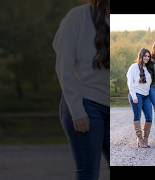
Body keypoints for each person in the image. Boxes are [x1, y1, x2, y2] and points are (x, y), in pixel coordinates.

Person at [53, 0, 109, 179]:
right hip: (85, 103)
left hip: (114, 106)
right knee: (89, 173)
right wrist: (77, 111)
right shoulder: (77, 17)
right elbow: (64, 67)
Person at [126, 48, 153, 148]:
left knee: (149, 118)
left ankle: (145, 139)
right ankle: (140, 139)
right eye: (145, 56)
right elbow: (130, 82)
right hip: (136, 94)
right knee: (137, 116)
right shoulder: (134, 67)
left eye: (148, 56)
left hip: (146, 96)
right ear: (141, 56)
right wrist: (133, 96)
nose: (146, 58)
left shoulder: (148, 68)